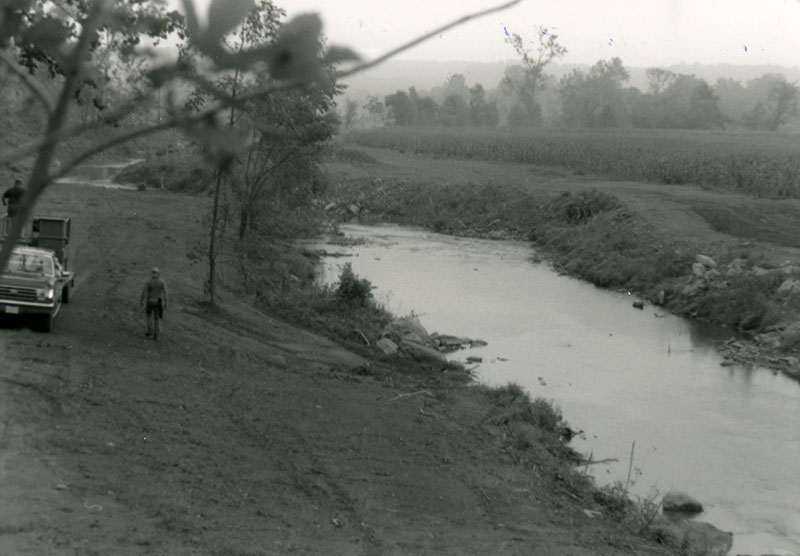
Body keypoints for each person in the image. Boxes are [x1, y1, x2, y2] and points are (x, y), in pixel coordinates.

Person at [140, 267, 168, 339]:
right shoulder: (162, 282)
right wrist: (166, 303)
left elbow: (144, 292)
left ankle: (150, 330)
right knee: (156, 318)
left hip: (149, 301)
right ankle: (156, 335)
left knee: (148, 315)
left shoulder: (148, 282)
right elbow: (165, 293)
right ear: (159, 274)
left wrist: (142, 300)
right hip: (157, 302)